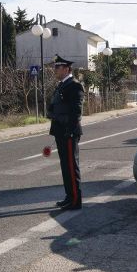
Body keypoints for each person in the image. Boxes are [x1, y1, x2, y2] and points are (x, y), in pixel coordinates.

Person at [47, 54, 84, 210]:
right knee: (65, 166)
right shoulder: (62, 84)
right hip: (61, 131)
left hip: (68, 132)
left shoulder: (74, 85)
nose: (54, 70)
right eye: (55, 67)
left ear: (66, 69)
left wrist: (69, 130)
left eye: (57, 67)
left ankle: (75, 200)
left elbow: (76, 111)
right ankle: (69, 196)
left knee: (71, 166)